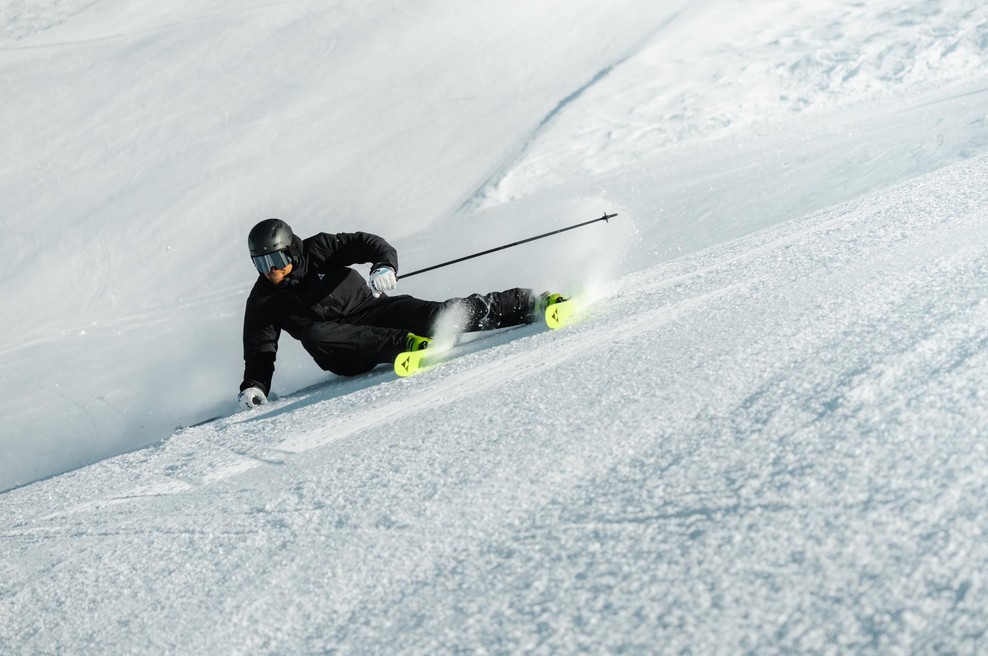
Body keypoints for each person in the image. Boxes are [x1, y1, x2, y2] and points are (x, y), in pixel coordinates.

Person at [238, 218, 563, 409]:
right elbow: (259, 350)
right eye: (261, 263)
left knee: (440, 314)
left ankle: (529, 304)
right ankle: (407, 345)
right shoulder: (263, 300)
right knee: (314, 334)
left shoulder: (318, 248)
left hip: (373, 309)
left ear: (292, 251)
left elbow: (366, 243)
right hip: (342, 349)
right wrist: (254, 386)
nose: (271, 270)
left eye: (276, 260)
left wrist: (384, 266)